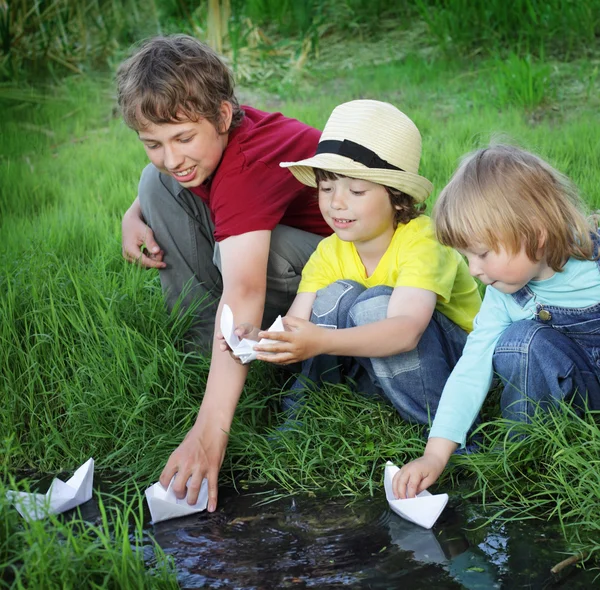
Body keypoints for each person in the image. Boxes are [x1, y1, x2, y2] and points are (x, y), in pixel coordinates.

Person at [116, 34, 332, 510]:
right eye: (153, 142)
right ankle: (205, 356)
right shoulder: (214, 135)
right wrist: (133, 214)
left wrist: (209, 432)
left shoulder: (246, 166)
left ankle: (235, 383)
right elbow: (166, 172)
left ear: (223, 115)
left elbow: (246, 289)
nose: (173, 157)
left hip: (348, 278)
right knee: (155, 184)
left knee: (241, 260)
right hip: (288, 257)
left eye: (183, 139)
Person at [227, 100, 481, 426]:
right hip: (379, 359)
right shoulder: (329, 251)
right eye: (327, 187)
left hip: (455, 360)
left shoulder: (423, 239)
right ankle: (311, 415)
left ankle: (442, 429)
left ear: (396, 196)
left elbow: (406, 331)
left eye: (357, 191)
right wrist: (260, 341)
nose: (336, 203)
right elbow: (296, 326)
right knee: (336, 295)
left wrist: (321, 341)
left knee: (373, 306)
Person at [393, 144, 600, 500]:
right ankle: (520, 459)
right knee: (520, 342)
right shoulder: (505, 295)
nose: (474, 270)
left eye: (483, 253)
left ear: (535, 235)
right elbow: (471, 367)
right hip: (576, 396)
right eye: (467, 256)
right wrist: (435, 454)